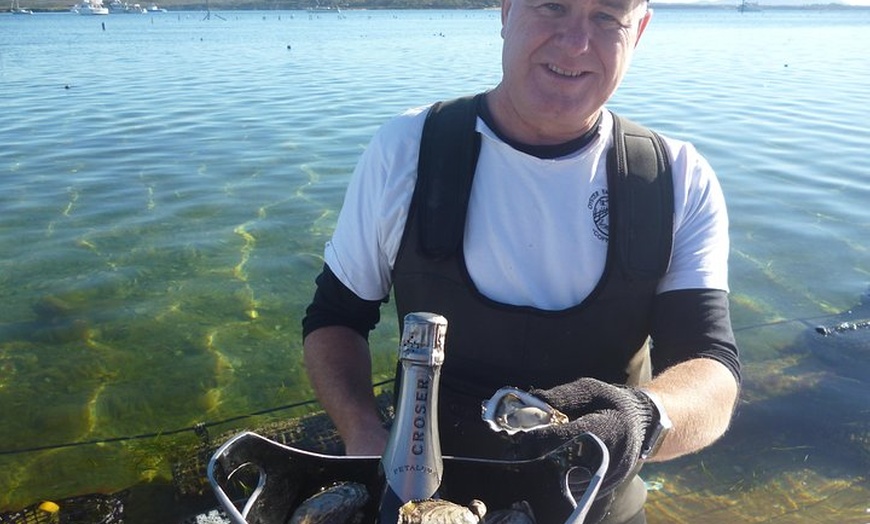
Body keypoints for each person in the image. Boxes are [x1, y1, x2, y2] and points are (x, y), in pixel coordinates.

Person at [302, 0, 740, 522]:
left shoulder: (673, 177)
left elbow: (712, 368)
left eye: (607, 18)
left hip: (598, 506)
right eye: (552, 7)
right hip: (420, 501)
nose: (575, 43)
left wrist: (645, 418)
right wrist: (364, 435)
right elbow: (336, 318)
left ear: (639, 30)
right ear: (506, 10)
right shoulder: (408, 150)